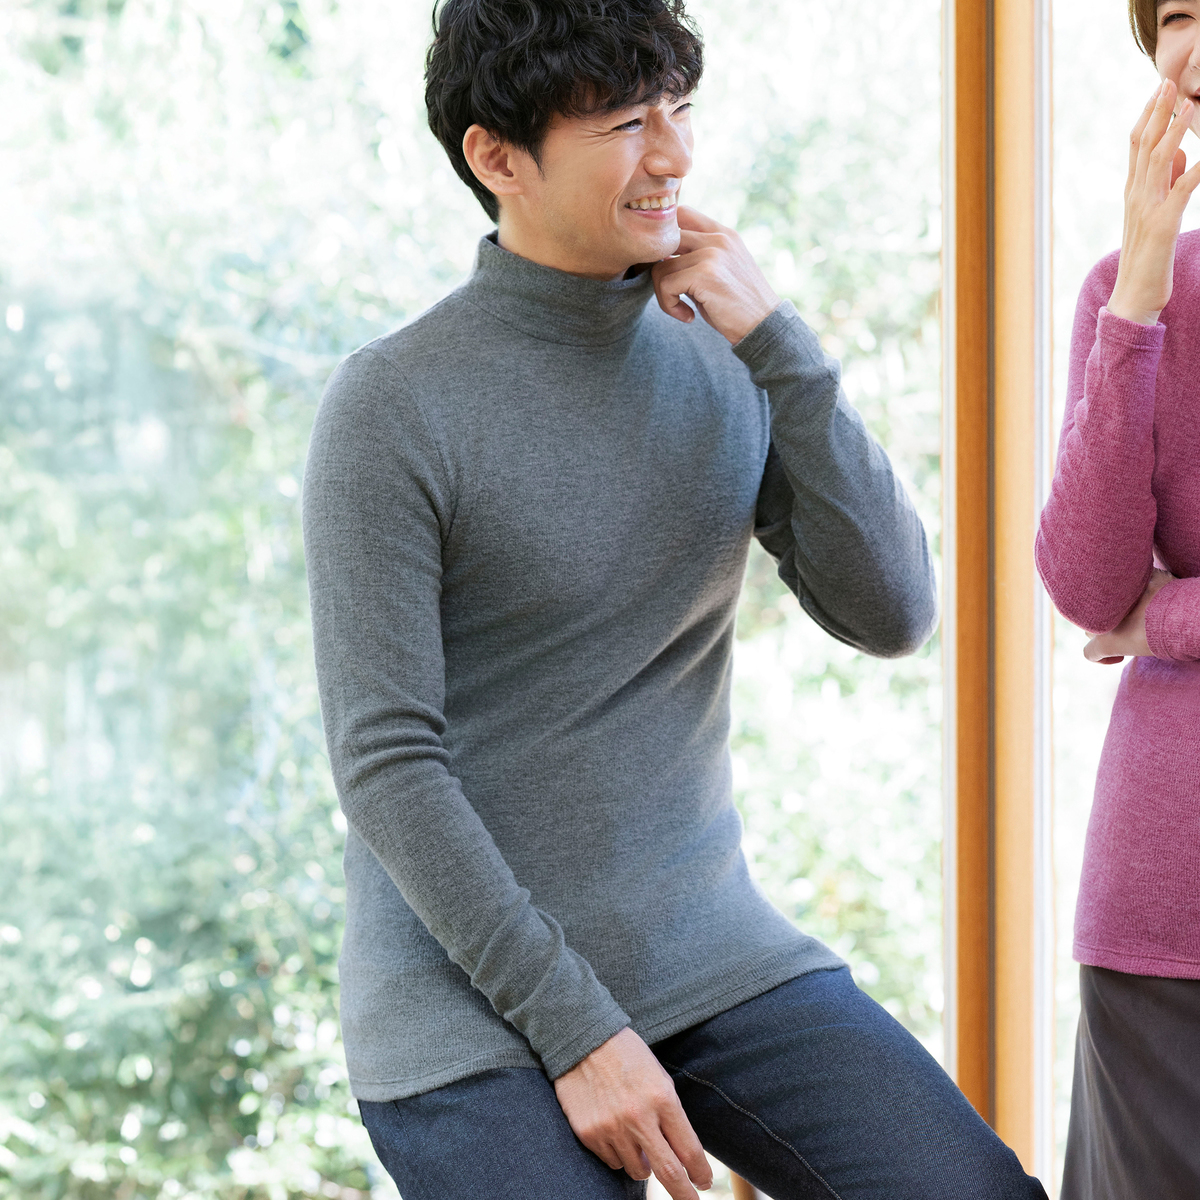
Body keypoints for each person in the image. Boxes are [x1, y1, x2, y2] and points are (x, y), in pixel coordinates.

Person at [302, 1, 1047, 1197]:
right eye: (624, 123)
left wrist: (779, 343)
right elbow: (385, 762)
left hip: (709, 954)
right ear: (498, 157)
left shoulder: (727, 353)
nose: (675, 154)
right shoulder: (392, 404)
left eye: (680, 109)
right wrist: (577, 1030)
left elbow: (893, 613)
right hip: (465, 1002)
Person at [1035, 4, 1200, 1197]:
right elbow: (1087, 585)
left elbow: (1129, 613)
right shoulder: (1136, 294)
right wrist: (1139, 285)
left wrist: (1165, 623)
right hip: (1161, 908)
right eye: (1177, 14)